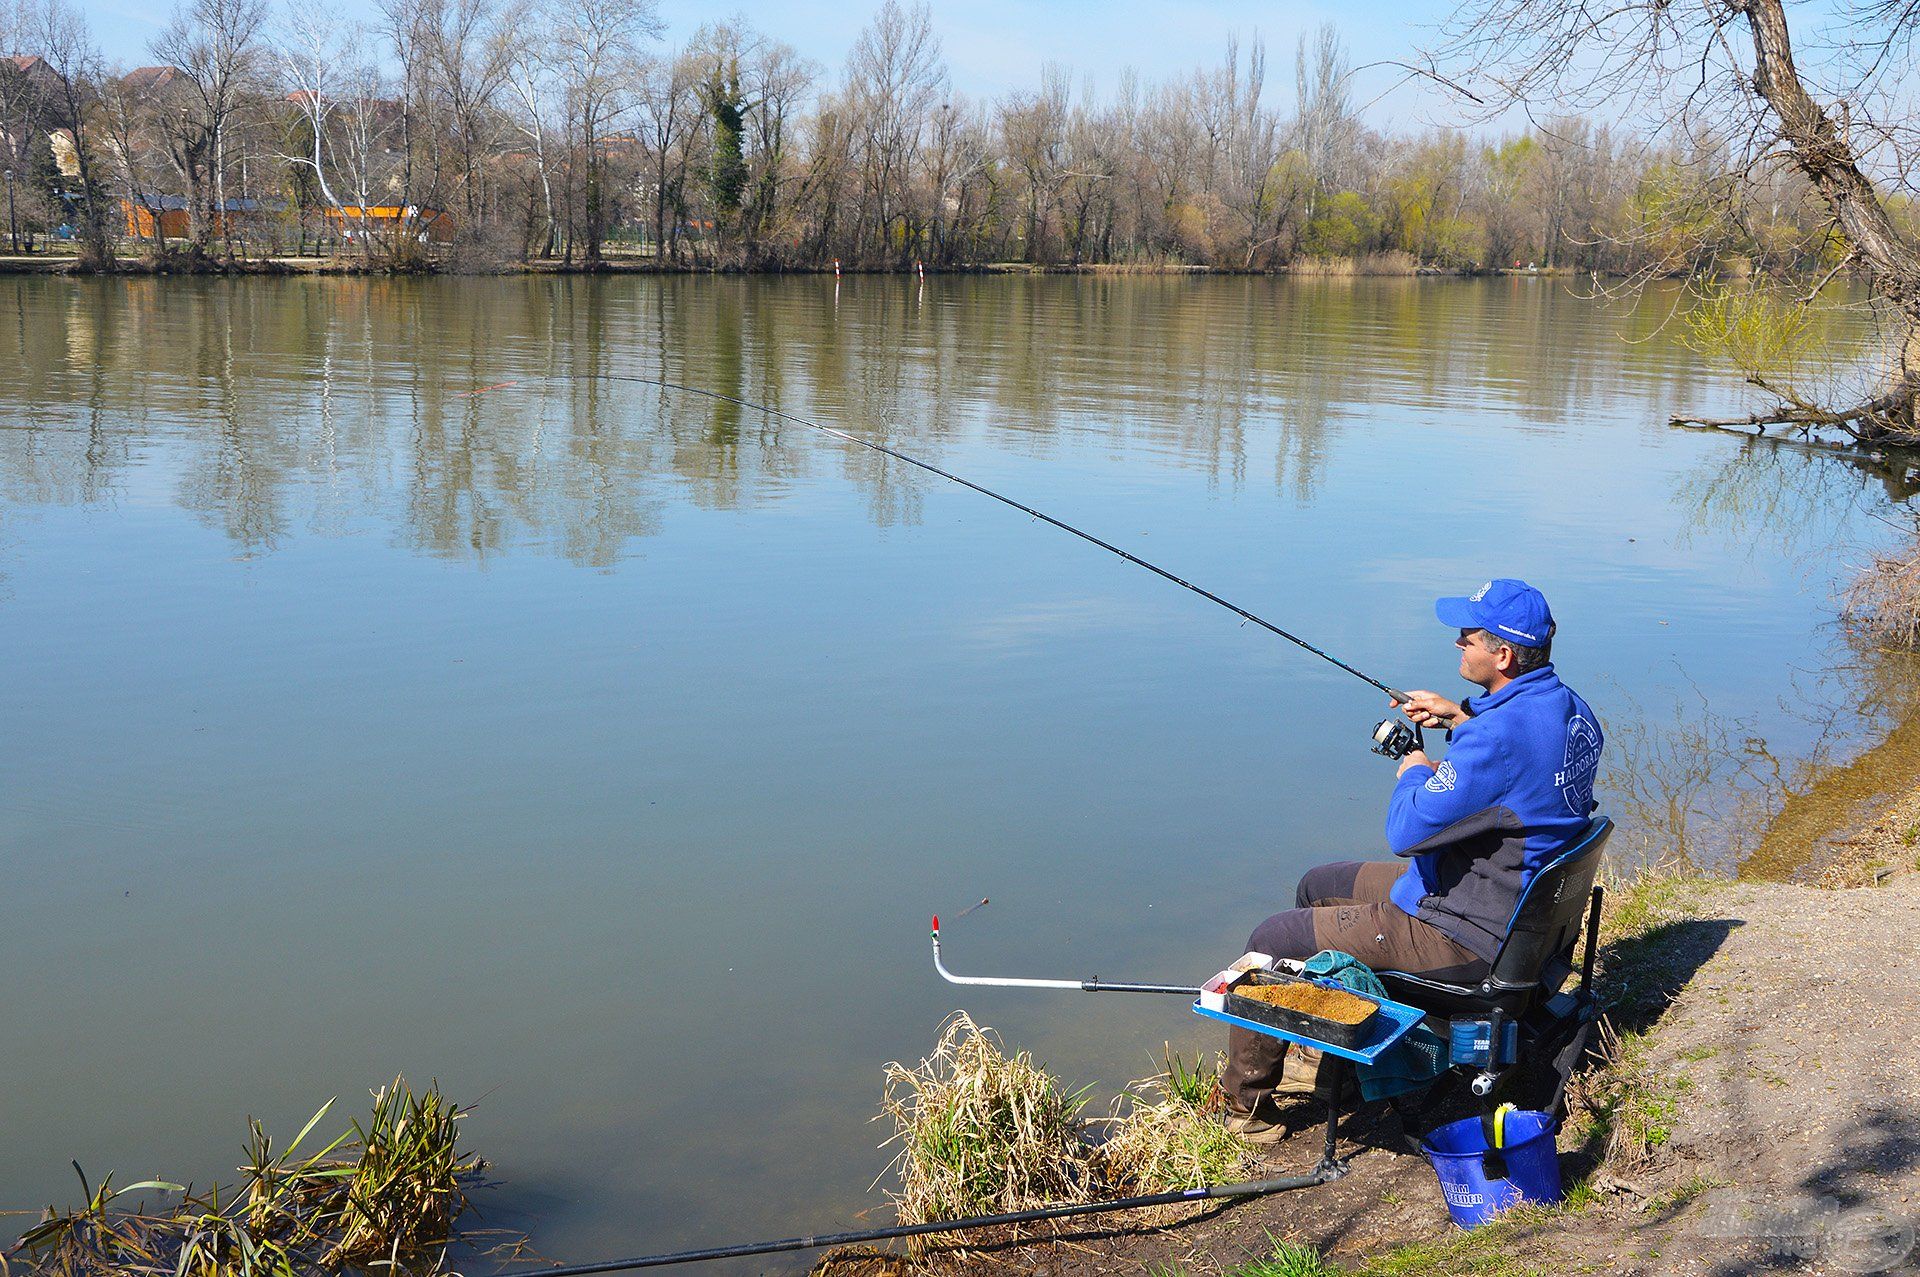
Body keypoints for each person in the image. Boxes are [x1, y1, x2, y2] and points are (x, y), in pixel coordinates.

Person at [1221, 578, 1603, 1142]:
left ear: (1501, 653)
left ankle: (1245, 1111)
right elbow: (1519, 759)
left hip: (1460, 933)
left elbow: (1407, 830)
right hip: (1506, 906)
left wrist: (1415, 767)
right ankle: (1331, 1054)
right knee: (1316, 885)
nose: (1456, 645)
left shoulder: (1493, 741)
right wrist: (1459, 718)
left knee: (1271, 939)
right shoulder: (1572, 712)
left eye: (1466, 637)